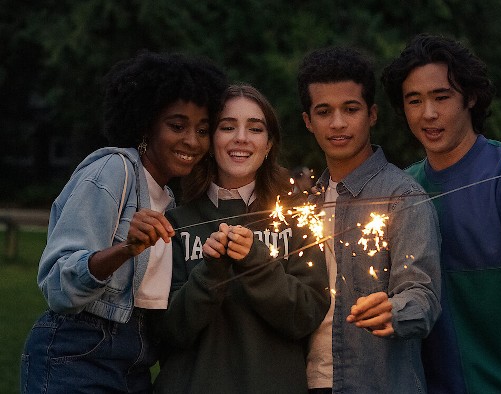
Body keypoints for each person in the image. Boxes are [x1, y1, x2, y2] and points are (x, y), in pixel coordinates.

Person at [20, 51, 227, 393]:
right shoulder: (113, 171)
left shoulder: (170, 201)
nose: (192, 140)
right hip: (79, 353)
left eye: (202, 130)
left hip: (137, 361)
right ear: (146, 123)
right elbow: (59, 283)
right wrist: (125, 249)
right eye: (177, 126)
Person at [381, 33, 501, 393]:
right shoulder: (405, 188)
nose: (428, 114)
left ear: (470, 97)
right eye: (414, 100)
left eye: (441, 97)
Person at [152, 84, 330, 393]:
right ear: (210, 141)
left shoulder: (298, 219)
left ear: (269, 144)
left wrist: (258, 261)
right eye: (227, 127)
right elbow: (165, 332)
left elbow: (307, 315)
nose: (241, 138)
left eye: (256, 128)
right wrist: (210, 273)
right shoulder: (175, 222)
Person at [297, 46, 442, 393]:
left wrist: (395, 309)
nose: (338, 123)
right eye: (324, 111)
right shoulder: (306, 204)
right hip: (309, 381)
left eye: (351, 109)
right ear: (308, 121)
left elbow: (423, 295)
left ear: (372, 114)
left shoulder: (402, 196)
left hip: (375, 381)